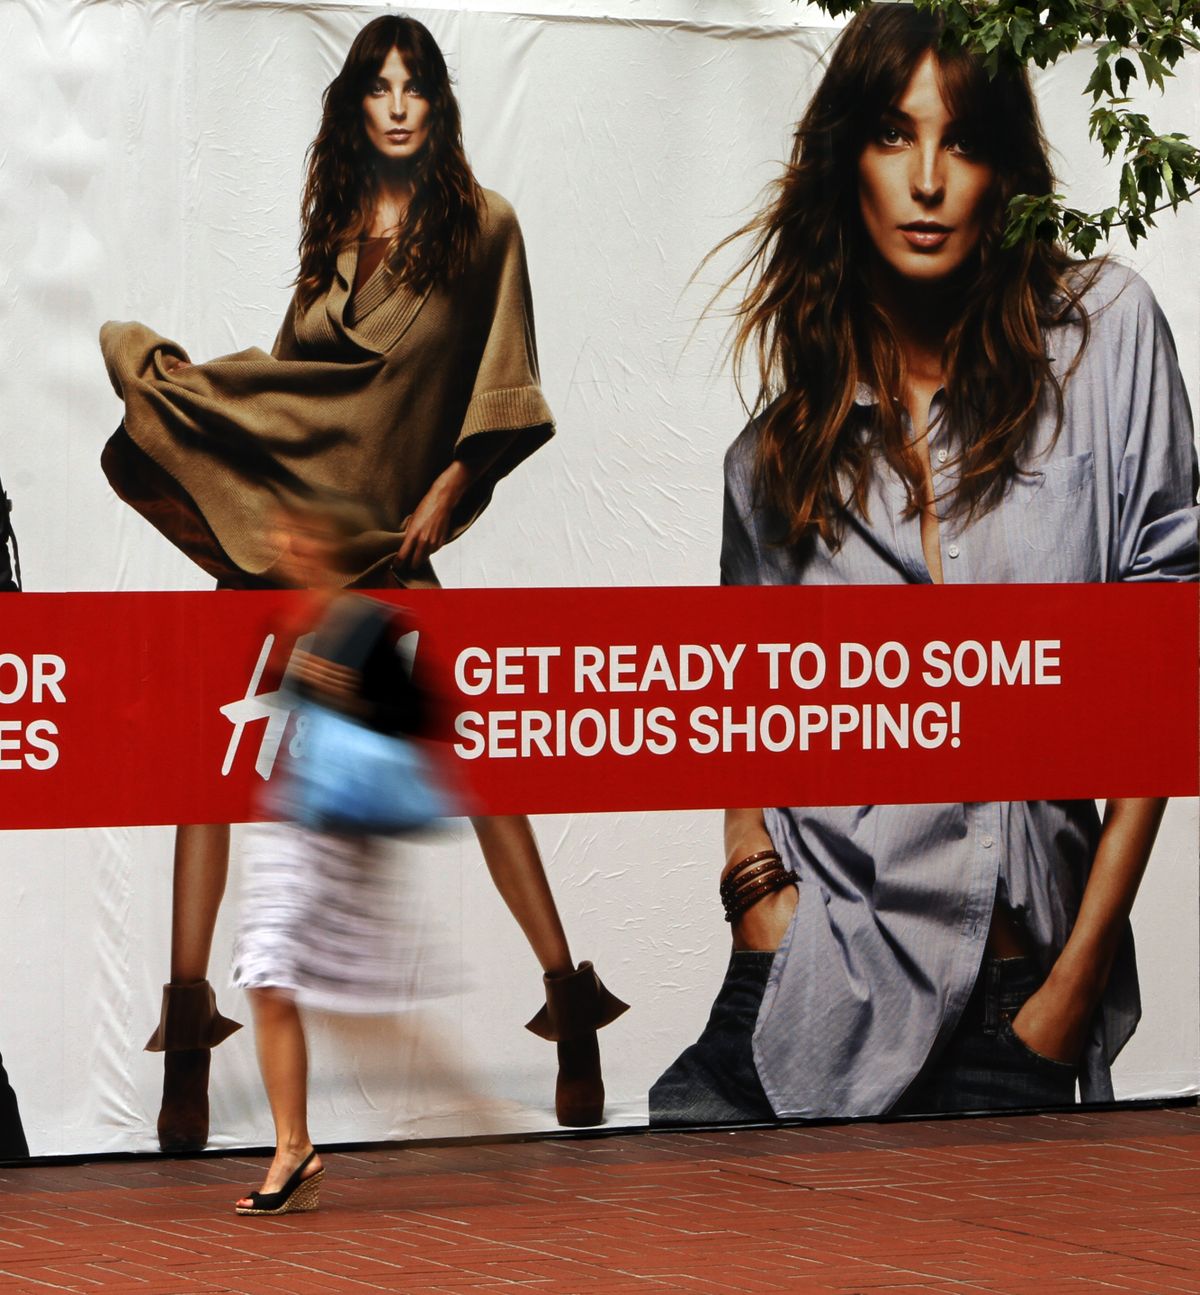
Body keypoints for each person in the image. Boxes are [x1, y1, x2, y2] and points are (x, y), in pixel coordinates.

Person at [650, 2, 1198, 1125]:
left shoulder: (1104, 340)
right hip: (811, 983)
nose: (931, 178)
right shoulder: (776, 458)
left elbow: (1171, 668)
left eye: (962, 139)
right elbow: (746, 699)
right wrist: (756, 888)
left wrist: (1074, 981)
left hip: (1019, 996)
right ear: (847, 160)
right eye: (895, 136)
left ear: (1003, 167)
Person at [100, 14, 625, 1153]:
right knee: (213, 762)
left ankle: (570, 1003)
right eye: (378, 87)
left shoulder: (485, 230)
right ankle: (188, 1041)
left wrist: (450, 490)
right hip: (294, 538)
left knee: (472, 766)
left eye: (415, 86)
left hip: (387, 537)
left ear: (437, 105)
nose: (396, 105)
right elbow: (303, 390)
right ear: (355, 107)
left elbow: (504, 389)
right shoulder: (333, 234)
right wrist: (218, 415)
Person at [232, 497, 425, 1215]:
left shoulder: (368, 624)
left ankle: (295, 1147)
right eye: (289, 537)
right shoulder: (301, 625)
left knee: (278, 971)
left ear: (332, 549)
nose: (291, 548)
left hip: (338, 837)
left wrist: (359, 699)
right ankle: (295, 1147)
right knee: (267, 973)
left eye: (304, 537)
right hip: (295, 827)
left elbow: (427, 717)